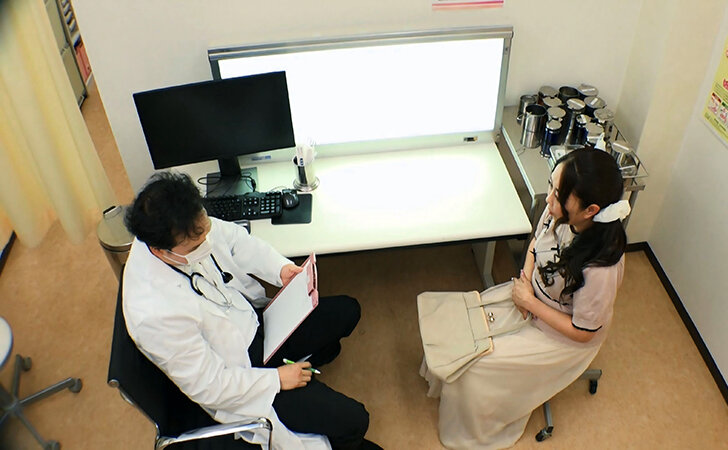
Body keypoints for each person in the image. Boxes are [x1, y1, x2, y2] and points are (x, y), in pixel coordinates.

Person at [122, 172, 381, 450]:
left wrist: (280, 269)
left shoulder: (184, 224)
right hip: (241, 373)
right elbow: (210, 386)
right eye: (197, 246)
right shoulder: (153, 313)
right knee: (356, 420)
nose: (207, 244)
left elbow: (236, 241)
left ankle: (301, 369)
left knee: (347, 311)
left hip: (254, 322)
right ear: (161, 252)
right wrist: (276, 379)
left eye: (206, 231)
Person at [420, 148, 628, 449]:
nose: (549, 200)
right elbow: (535, 244)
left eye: (558, 196)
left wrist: (530, 303)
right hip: (530, 295)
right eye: (551, 187)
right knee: (460, 332)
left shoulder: (600, 270)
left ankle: (474, 434)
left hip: (559, 335)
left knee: (475, 367)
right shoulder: (558, 211)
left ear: (590, 210)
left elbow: (582, 332)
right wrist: (525, 283)